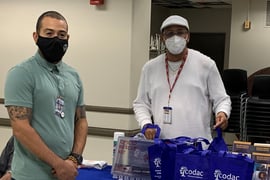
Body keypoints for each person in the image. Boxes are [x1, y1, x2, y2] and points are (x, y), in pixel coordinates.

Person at [4, 11, 88, 180]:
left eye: (61, 35)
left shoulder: (74, 75)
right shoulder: (21, 73)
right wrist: (58, 164)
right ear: (36, 37)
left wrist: (73, 158)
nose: (56, 39)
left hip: (64, 173)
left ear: (68, 38)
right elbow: (21, 128)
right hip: (30, 176)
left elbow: (81, 120)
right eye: (49, 33)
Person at [133, 15, 231, 142]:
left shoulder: (206, 64)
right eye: (170, 33)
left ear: (188, 36)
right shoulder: (150, 68)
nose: (175, 38)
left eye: (180, 32)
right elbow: (141, 103)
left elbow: (222, 99)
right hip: (163, 145)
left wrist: (222, 113)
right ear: (163, 38)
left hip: (197, 146)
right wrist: (145, 123)